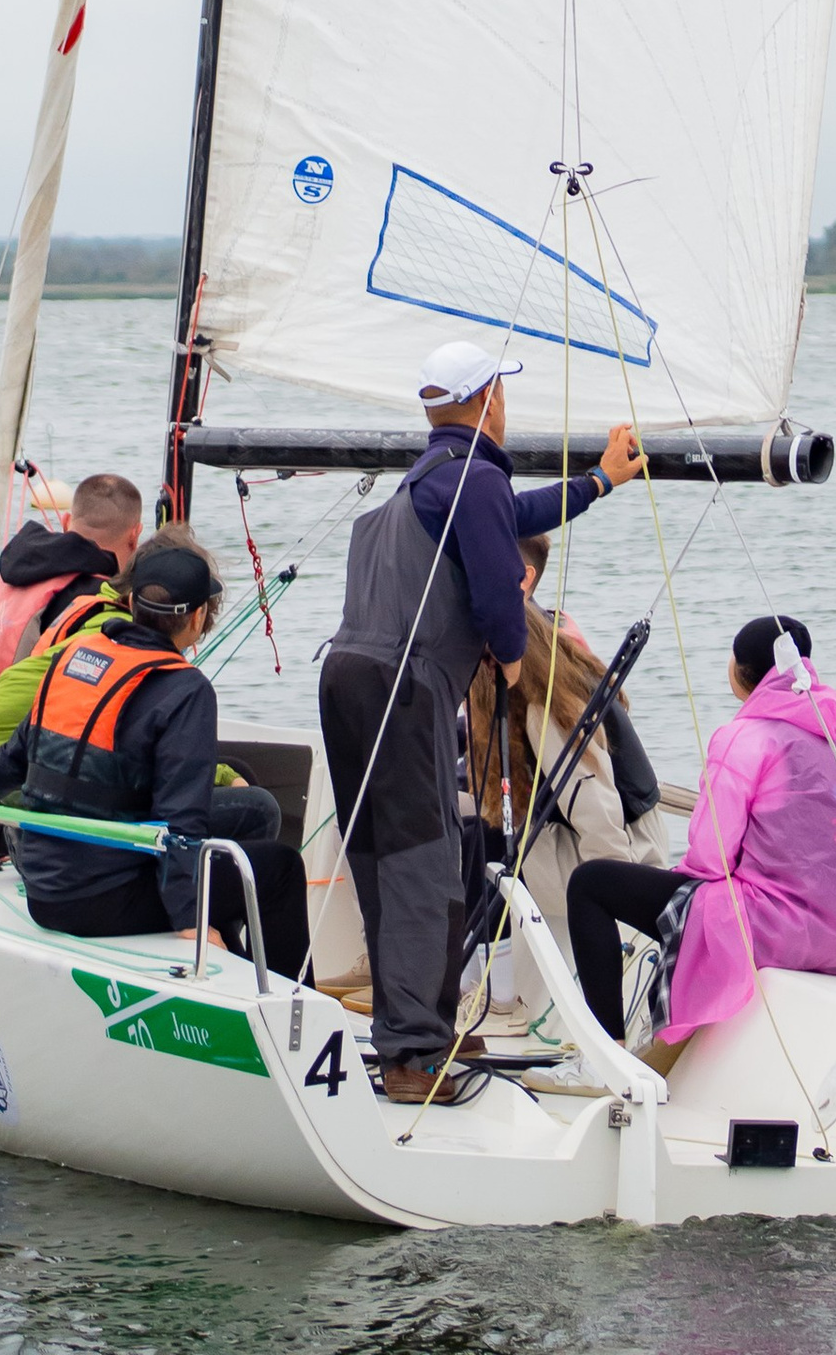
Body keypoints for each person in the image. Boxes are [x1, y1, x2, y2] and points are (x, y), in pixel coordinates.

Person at [319, 341, 645, 1107]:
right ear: (490, 398)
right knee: (424, 865)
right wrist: (510, 656)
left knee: (381, 857)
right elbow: (500, 591)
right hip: (404, 687)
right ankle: (414, 1058)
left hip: (346, 677)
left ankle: (412, 1031)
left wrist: (600, 481)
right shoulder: (473, 477)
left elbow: (514, 519)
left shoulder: (431, 479)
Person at [0, 533, 309, 976]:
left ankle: (233, 953)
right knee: (282, 870)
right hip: (102, 899)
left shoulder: (76, 655)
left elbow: (18, 751)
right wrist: (188, 919)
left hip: (44, 890)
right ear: (196, 618)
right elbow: (181, 821)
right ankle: (293, 999)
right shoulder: (186, 689)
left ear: (131, 603)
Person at [564, 614, 836, 1060]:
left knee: (591, 884)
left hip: (764, 929)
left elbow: (711, 857)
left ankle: (606, 1057)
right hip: (835, 940)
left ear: (739, 672)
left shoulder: (746, 737)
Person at [466, 541, 669, 942]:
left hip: (625, 857)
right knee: (466, 828)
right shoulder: (554, 677)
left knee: (475, 847)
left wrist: (613, 907)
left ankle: (480, 966)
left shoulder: (549, 715)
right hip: (596, 843)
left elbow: (598, 814)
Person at [0, 471, 145, 706]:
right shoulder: (99, 603)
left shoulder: (3, 579)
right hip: (29, 725)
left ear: (66, 522)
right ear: (135, 535)